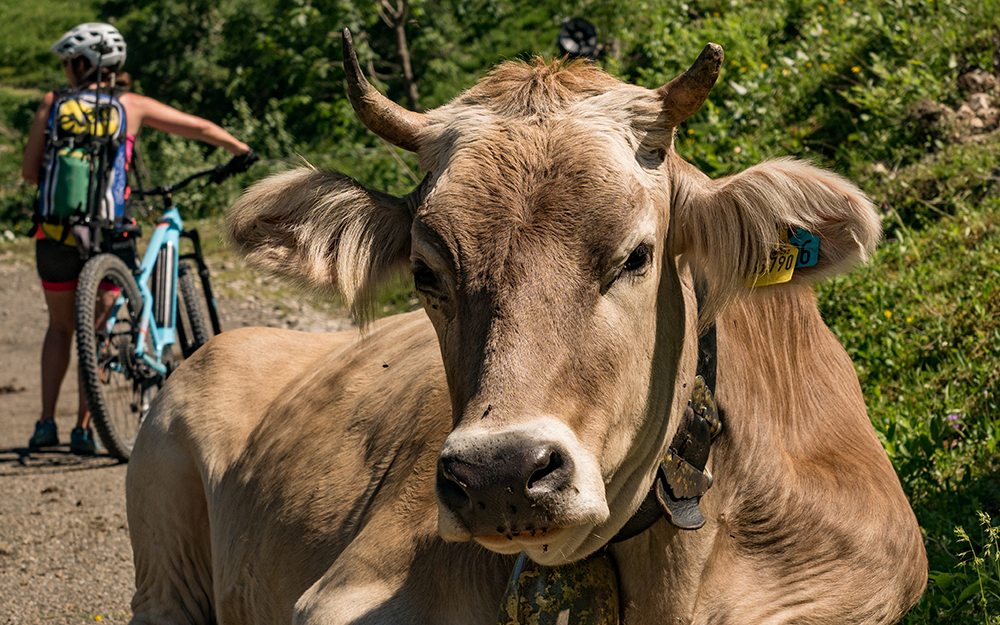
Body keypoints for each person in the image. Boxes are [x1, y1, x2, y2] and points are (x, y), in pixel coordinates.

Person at [22, 22, 255, 455]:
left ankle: (44, 423)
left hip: (54, 233)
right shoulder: (131, 105)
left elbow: (30, 170)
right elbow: (198, 127)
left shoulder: (52, 103)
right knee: (98, 331)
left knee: (59, 327)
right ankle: (83, 430)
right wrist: (240, 149)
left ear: (80, 64)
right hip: (110, 235)